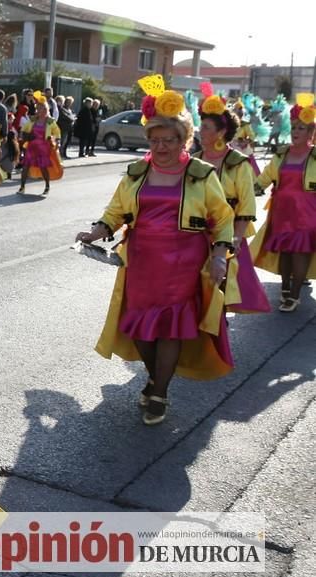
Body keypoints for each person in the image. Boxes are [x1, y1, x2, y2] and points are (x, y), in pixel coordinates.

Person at [75, 77, 235, 425]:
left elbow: (223, 218)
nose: (161, 146)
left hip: (183, 261)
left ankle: (159, 392)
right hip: (142, 259)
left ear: (184, 139)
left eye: (170, 139)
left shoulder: (200, 174)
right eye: (155, 139)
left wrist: (221, 255)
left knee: (171, 327)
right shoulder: (136, 173)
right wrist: (97, 231)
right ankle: (154, 377)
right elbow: (116, 211)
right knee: (138, 327)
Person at [193, 92, 270, 314]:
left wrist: (236, 236)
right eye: (201, 126)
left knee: (222, 286)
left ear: (222, 132)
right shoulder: (194, 160)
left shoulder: (239, 163)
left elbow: (246, 203)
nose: (200, 131)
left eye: (206, 127)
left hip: (228, 234)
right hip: (196, 232)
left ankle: (219, 325)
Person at [249, 95, 316, 312]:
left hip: (307, 213)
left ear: (310, 133)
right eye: (294, 127)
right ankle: (285, 287)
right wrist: (246, 192)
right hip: (282, 212)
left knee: (300, 251)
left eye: (302, 128)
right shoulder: (281, 154)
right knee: (286, 251)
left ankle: (295, 294)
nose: (296, 132)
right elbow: (264, 179)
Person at [17, 93, 62, 196]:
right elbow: (24, 130)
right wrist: (25, 136)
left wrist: (57, 142)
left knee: (43, 167)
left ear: (46, 110)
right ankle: (22, 187)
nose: (40, 110)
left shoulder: (50, 121)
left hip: (43, 147)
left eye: (42, 108)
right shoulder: (32, 120)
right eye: (38, 108)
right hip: (32, 147)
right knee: (26, 166)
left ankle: (47, 186)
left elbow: (57, 132)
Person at [56, 95, 76, 159]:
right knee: (62, 142)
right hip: (62, 128)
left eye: (70, 102)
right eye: (68, 102)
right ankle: (60, 155)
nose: (69, 103)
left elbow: (73, 116)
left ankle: (63, 154)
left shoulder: (69, 110)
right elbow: (67, 117)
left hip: (68, 128)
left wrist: (72, 118)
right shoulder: (61, 109)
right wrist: (72, 118)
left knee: (65, 142)